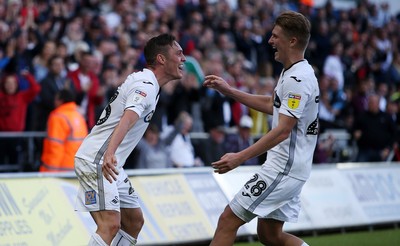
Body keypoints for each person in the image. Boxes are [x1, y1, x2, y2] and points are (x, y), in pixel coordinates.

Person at [203, 11, 319, 246]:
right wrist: (230, 91)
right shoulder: (293, 72)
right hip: (290, 167)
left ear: (292, 41)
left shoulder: (298, 79)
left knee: (228, 220)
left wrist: (240, 157)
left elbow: (283, 129)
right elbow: (271, 104)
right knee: (270, 235)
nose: (270, 41)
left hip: (283, 168)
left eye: (275, 36)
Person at [74, 33, 186, 246]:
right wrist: (109, 153)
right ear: (161, 59)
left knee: (134, 221)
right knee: (110, 224)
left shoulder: (148, 83)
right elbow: (127, 118)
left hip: (110, 162)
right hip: (98, 159)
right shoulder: (146, 84)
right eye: (179, 53)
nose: (184, 59)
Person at [39, 89, 87, 172]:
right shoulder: (78, 116)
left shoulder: (57, 117)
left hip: (61, 169)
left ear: (60, 100)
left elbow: (55, 147)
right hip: (77, 168)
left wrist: (50, 173)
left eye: (56, 99)